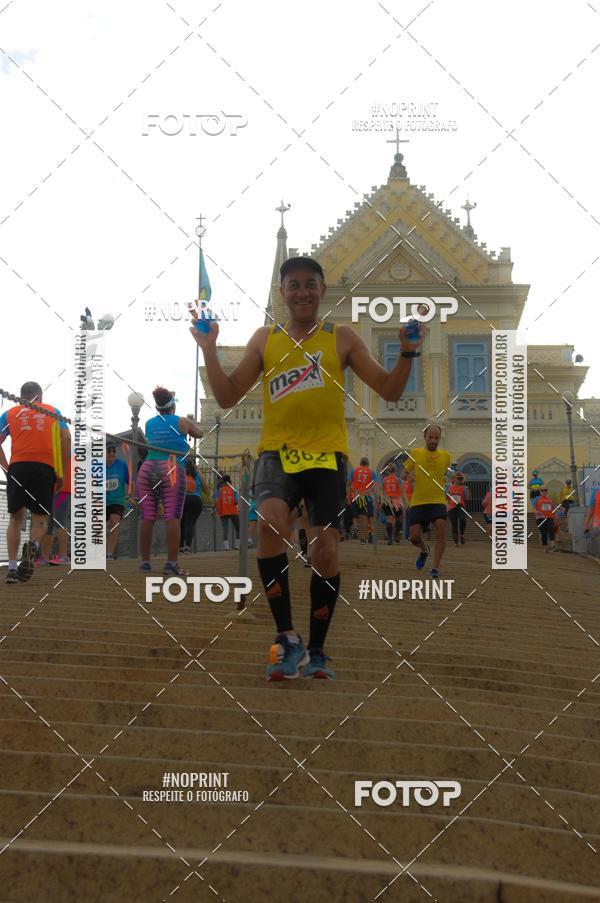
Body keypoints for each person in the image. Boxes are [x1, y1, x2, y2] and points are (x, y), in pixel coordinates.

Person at [190, 255, 423, 681]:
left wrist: (408, 350)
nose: (302, 292)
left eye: (310, 284)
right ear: (283, 293)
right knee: (269, 525)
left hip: (328, 457)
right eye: (293, 285)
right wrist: (208, 349)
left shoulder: (343, 337)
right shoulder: (265, 339)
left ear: (322, 290)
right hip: (277, 454)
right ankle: (286, 637)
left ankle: (317, 649)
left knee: (325, 551)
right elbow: (226, 397)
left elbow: (389, 391)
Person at [0, 382, 70, 584]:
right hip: (44, 467)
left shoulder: (10, 413)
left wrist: (6, 468)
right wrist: (61, 471)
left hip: (18, 465)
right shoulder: (52, 411)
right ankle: (32, 544)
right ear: (40, 397)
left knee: (15, 518)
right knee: (40, 518)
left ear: (21, 396)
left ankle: (12, 568)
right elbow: (66, 438)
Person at [137, 386, 203, 575]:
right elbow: (200, 433)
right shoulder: (182, 422)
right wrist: (190, 423)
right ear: (173, 405)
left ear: (157, 407)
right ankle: (171, 564)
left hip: (148, 468)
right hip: (172, 467)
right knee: (172, 517)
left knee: (147, 516)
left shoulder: (150, 423)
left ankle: (145, 563)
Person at [403, 424, 451, 579]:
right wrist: (408, 477)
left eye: (436, 438)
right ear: (425, 437)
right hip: (418, 501)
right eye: (430, 437)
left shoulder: (445, 456)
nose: (433, 440)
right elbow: (403, 474)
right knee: (414, 537)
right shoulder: (416, 453)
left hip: (437, 500)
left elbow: (445, 475)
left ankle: (435, 568)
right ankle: (424, 550)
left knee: (441, 529)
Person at [40, 455, 72, 566]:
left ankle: (63, 556)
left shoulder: (63, 446)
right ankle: (44, 557)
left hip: (63, 489)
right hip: (52, 490)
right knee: (49, 524)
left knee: (59, 521)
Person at [106, 441, 130, 560]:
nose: (111, 453)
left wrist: (131, 495)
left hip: (117, 500)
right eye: (109, 451)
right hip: (101, 501)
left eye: (113, 451)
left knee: (114, 522)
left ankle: (109, 553)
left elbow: (130, 482)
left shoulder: (122, 465)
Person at [348, 457, 378, 544]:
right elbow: (375, 485)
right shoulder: (371, 472)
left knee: (355, 516)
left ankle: (355, 527)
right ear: (367, 464)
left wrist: (350, 493)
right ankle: (364, 539)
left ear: (360, 463)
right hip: (366, 497)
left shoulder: (353, 471)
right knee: (364, 517)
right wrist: (368, 491)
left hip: (355, 495)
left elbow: (349, 484)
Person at [180, 459, 203, 553]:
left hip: (183, 499)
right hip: (196, 499)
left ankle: (180, 546)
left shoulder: (181, 473)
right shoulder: (197, 474)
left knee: (181, 523)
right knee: (190, 523)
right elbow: (205, 486)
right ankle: (187, 547)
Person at [215, 474, 240, 550]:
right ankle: (237, 546)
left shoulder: (219, 490)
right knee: (238, 528)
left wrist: (218, 511)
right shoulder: (233, 490)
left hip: (223, 511)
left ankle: (226, 548)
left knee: (225, 530)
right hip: (233, 511)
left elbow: (216, 501)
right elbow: (236, 501)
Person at [381, 463, 403, 545]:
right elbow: (401, 491)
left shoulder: (384, 480)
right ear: (395, 470)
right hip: (396, 501)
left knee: (389, 520)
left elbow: (382, 492)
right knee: (398, 519)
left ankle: (390, 538)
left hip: (387, 501)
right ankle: (396, 535)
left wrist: (381, 502)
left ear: (387, 471)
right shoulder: (398, 480)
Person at [447, 472, 470, 546]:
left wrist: (468, 490)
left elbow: (468, 498)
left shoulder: (463, 488)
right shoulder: (449, 487)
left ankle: (462, 534)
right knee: (454, 524)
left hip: (460, 506)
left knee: (463, 519)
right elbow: (446, 497)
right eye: (458, 478)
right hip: (451, 507)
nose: (460, 480)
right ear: (454, 479)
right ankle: (456, 541)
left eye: (461, 479)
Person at [534, 486, 556, 552]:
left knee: (551, 529)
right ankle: (544, 547)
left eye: (545, 490)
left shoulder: (550, 499)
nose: (544, 492)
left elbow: (553, 507)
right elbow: (534, 507)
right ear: (540, 492)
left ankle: (552, 545)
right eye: (542, 490)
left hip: (549, 517)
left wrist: (555, 515)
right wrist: (537, 512)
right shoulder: (537, 499)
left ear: (547, 491)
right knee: (543, 532)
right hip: (540, 518)